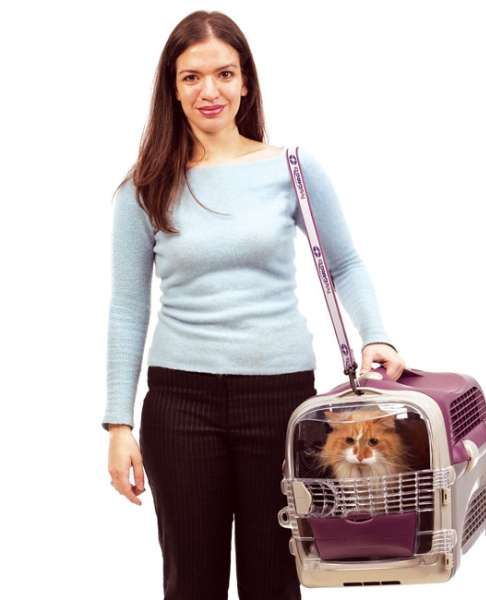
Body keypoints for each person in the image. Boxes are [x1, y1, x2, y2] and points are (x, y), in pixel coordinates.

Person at [103, 9, 406, 600]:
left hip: (280, 399)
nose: (209, 91)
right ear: (172, 88)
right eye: (191, 77)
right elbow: (127, 306)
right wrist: (118, 423)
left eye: (224, 74)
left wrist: (377, 334)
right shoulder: (144, 187)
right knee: (191, 584)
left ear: (245, 82)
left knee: (275, 581)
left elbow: (344, 262)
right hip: (180, 404)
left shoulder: (292, 168)